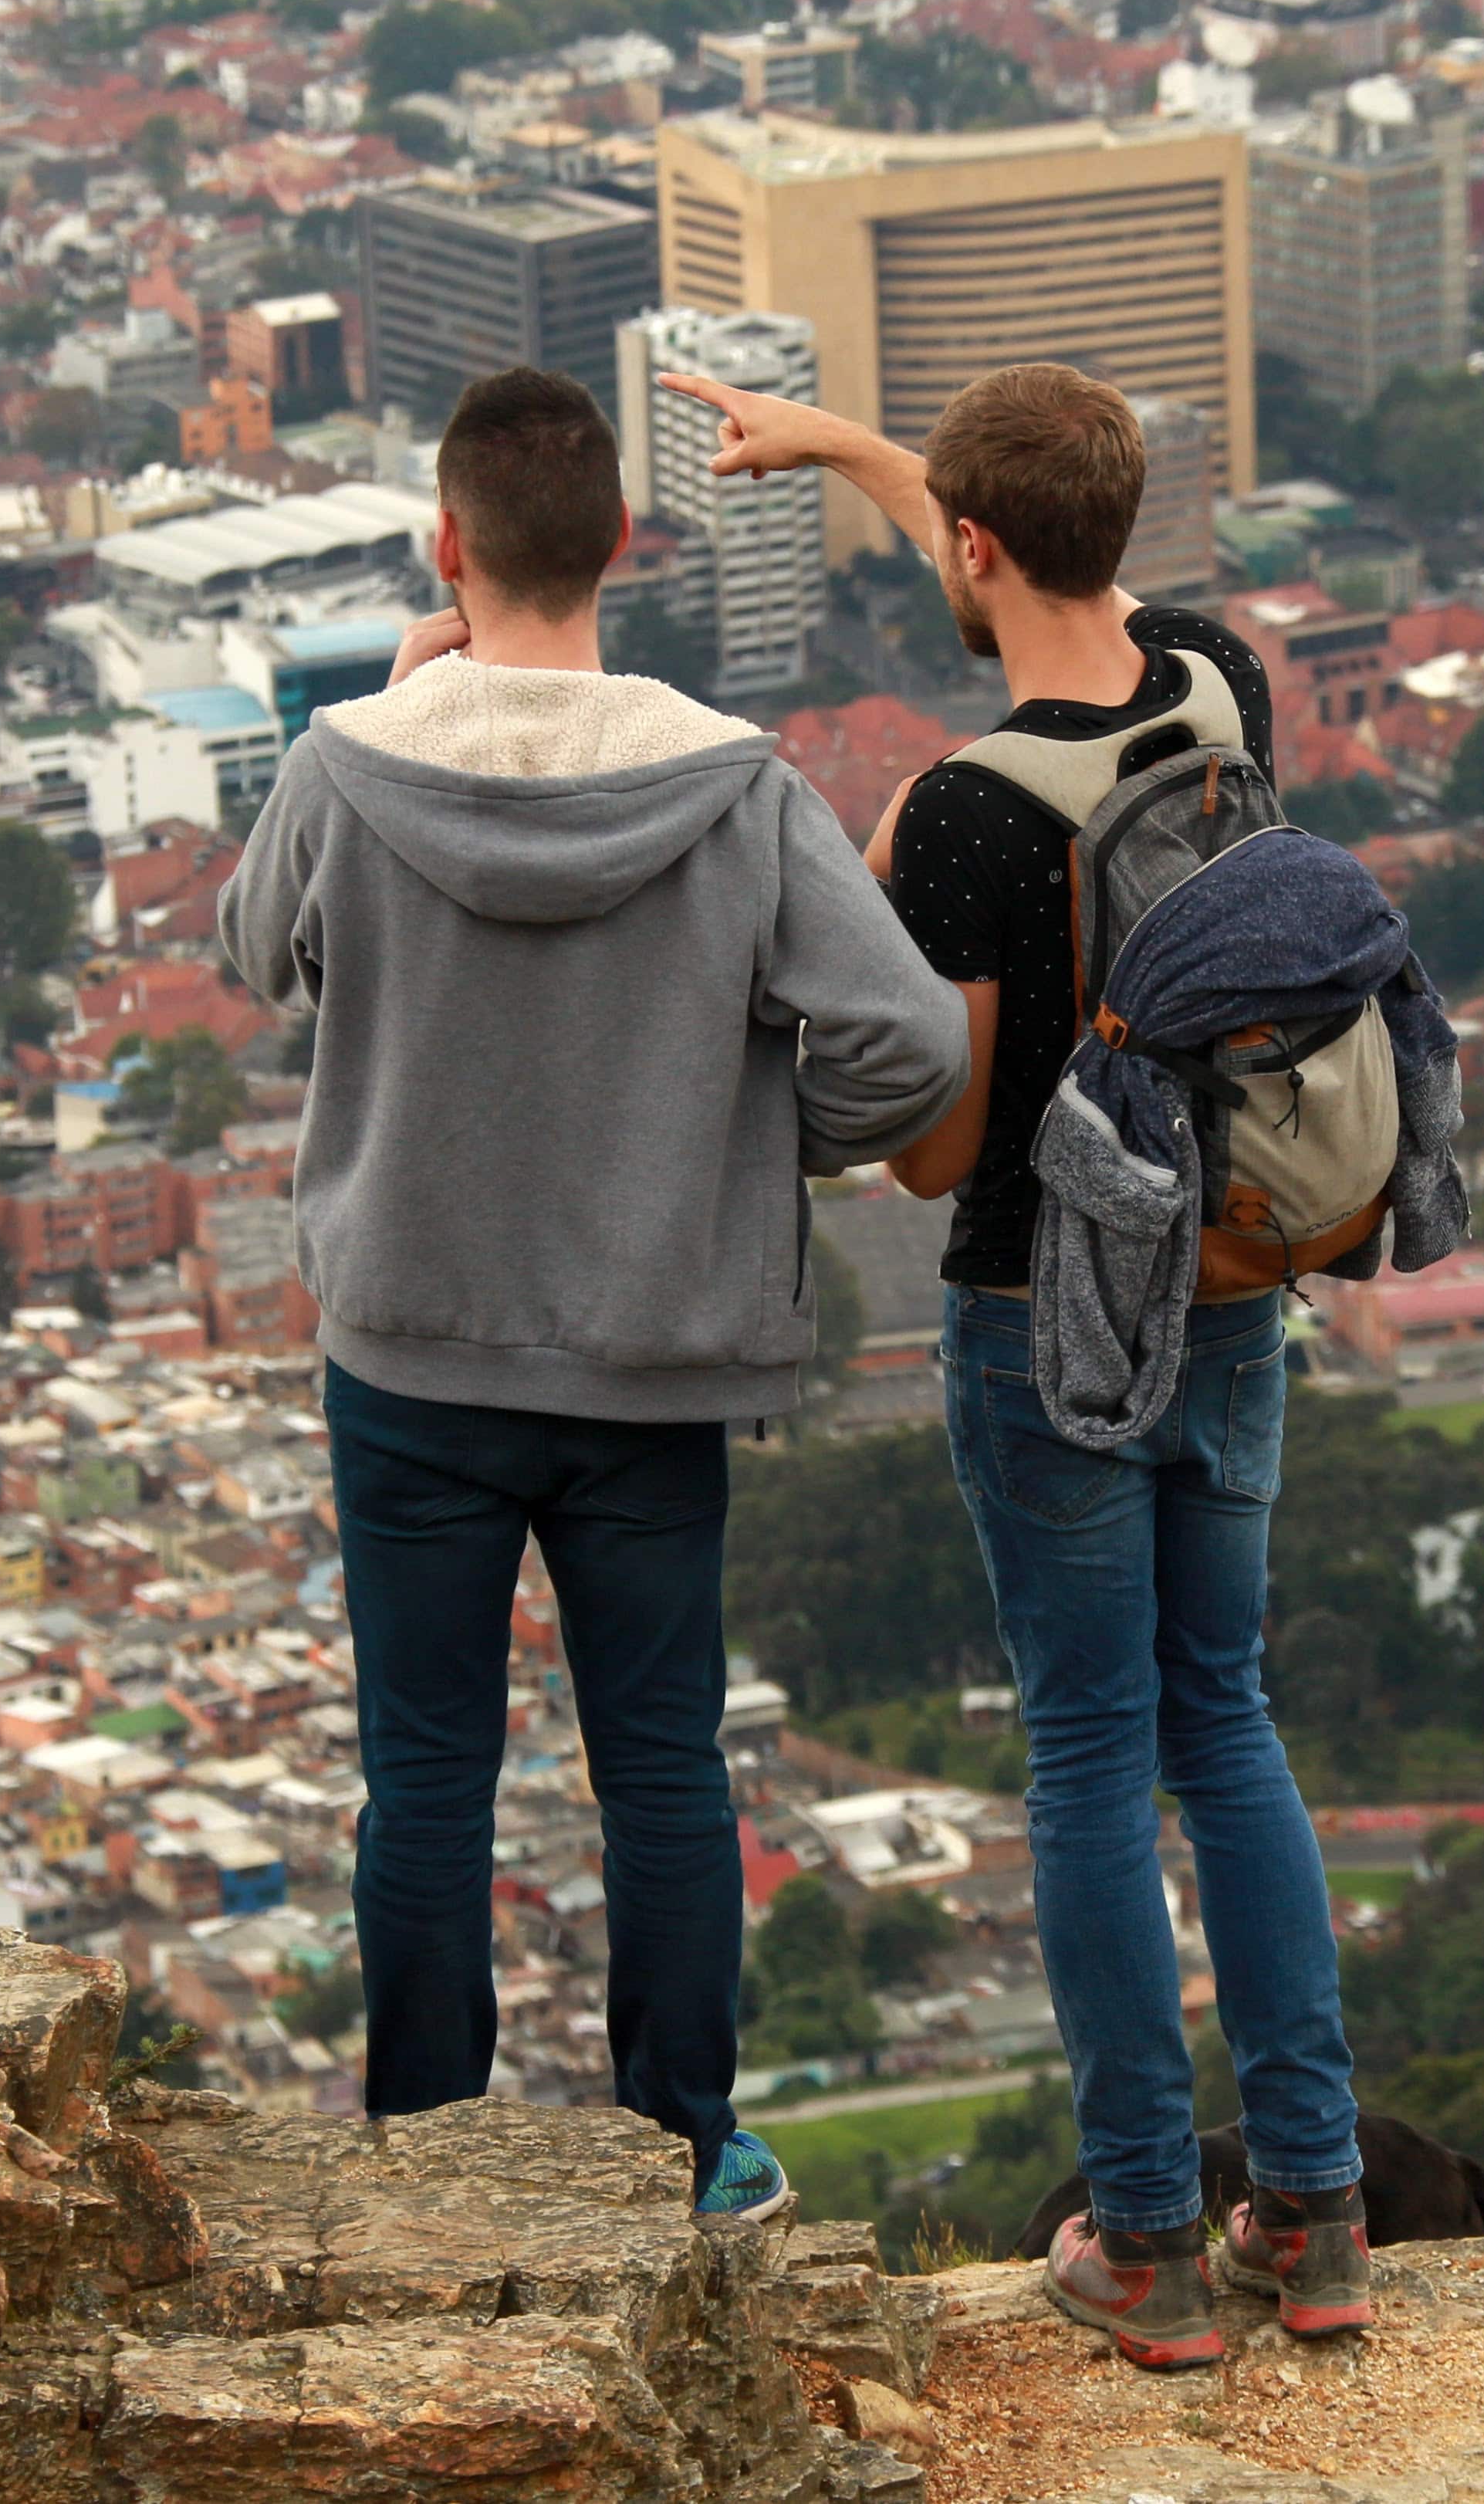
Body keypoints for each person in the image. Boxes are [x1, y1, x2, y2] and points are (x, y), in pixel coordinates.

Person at [658, 358, 1369, 2363]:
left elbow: (938, 1142)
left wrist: (878, 928)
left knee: (1084, 1754)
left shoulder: (960, 810)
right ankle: (1309, 2214)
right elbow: (1022, 559)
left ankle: (1144, 2233)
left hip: (1039, 1315)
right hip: (1230, 1278)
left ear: (972, 547)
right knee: (1222, 1720)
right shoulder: (1221, 678)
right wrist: (855, 453)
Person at [220, 366, 969, 2223]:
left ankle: (421, 2161)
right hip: (650, 1360)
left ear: (444, 548)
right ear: (623, 545)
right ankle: (689, 2144)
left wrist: (394, 712)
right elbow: (908, 1046)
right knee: (658, 1764)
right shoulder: (734, 783)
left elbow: (253, 953)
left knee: (426, 1781)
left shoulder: (345, 761)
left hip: (411, 1359)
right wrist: (730, 1144)